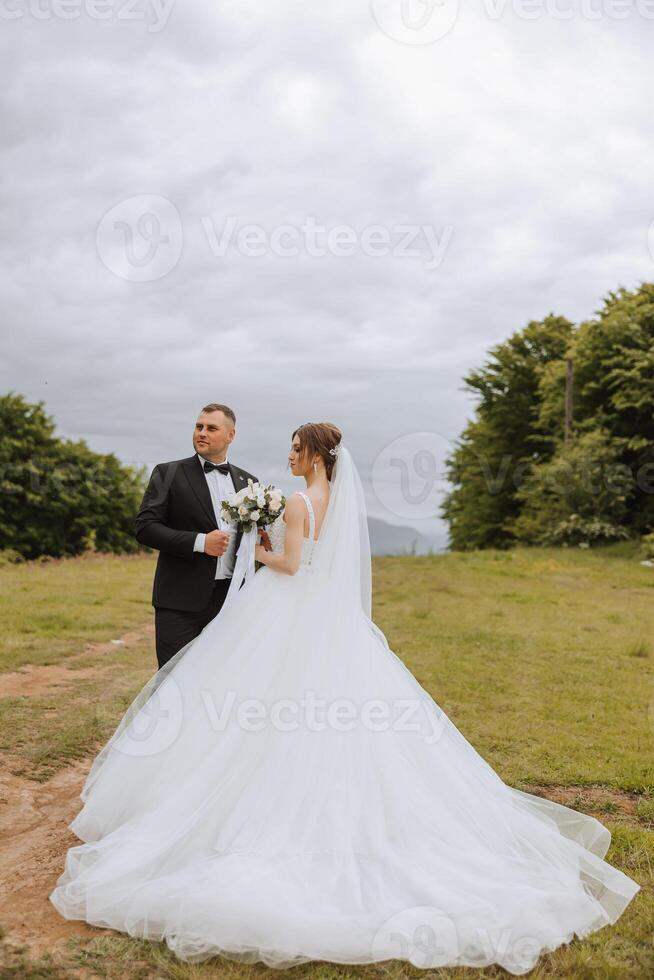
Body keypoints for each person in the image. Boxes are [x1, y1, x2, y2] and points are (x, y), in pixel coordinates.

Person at [50, 423, 639, 974]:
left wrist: (253, 545)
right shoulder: (327, 498)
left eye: (294, 447)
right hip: (324, 619)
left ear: (312, 455)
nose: (287, 454)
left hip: (285, 611)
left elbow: (288, 562)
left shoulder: (301, 502)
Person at [135, 403, 258, 668]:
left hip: (230, 603)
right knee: (173, 682)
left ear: (231, 435)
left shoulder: (250, 483)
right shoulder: (167, 473)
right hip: (179, 601)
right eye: (198, 426)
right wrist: (200, 542)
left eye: (211, 428)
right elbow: (145, 527)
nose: (201, 432)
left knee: (221, 679)